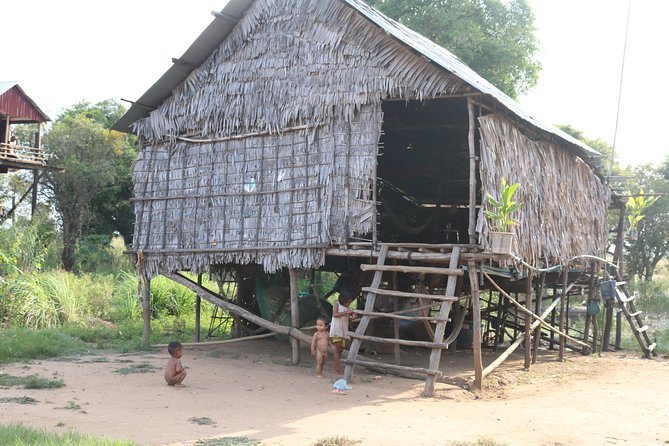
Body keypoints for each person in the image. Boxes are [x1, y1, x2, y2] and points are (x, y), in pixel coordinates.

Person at [329, 288, 357, 374]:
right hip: (337, 330)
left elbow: (348, 320)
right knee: (337, 349)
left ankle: (336, 367)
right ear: (342, 300)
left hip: (343, 331)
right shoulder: (336, 305)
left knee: (340, 349)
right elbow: (335, 314)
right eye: (347, 302)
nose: (349, 304)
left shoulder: (347, 308)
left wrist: (353, 318)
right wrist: (346, 313)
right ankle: (337, 369)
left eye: (350, 302)